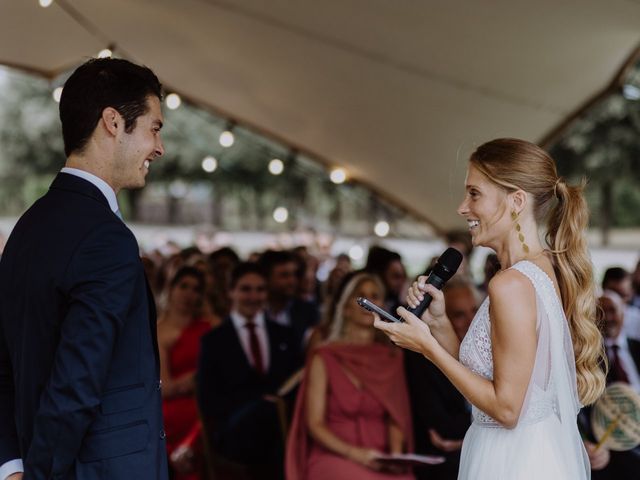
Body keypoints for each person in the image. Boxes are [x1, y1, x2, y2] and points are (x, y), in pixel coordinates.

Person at [374, 138, 606, 479]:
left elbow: (507, 408)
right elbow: (487, 379)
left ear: (516, 201)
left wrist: (426, 347)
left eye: (474, 194)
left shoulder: (510, 285)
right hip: (531, 452)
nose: (462, 207)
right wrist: (438, 325)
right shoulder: (540, 270)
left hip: (513, 460)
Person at [0, 58, 168, 479]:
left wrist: (12, 464)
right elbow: (76, 383)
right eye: (154, 127)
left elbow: (5, 362)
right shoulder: (105, 238)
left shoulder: (27, 226)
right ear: (113, 122)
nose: (159, 147)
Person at [286, 272, 415, 480]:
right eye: (361, 295)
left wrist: (395, 458)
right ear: (345, 307)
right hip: (334, 454)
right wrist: (355, 454)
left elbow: (396, 417)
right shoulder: (324, 356)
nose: (369, 301)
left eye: (375, 295)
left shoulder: (392, 356)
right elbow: (314, 423)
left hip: (380, 455)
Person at [196, 262, 301, 478]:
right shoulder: (214, 341)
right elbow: (208, 398)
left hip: (281, 432)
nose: (253, 297)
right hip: (234, 434)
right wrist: (257, 403)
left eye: (260, 290)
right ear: (231, 292)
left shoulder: (285, 336)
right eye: (245, 289)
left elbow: (296, 382)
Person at [404, 278, 478, 480]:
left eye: (475, 311)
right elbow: (442, 429)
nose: (471, 320)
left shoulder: (488, 349)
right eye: (459, 315)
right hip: (440, 460)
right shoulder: (423, 357)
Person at [158, 266, 211, 479]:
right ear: (171, 289)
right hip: (174, 413)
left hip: (206, 410)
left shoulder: (210, 326)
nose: (189, 293)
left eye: (196, 289)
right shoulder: (158, 331)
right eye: (183, 286)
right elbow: (164, 387)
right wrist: (197, 378)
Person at [579, 292, 640, 479]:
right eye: (601, 312)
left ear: (624, 312)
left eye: (613, 310)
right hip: (610, 444)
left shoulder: (637, 347)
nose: (608, 318)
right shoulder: (586, 359)